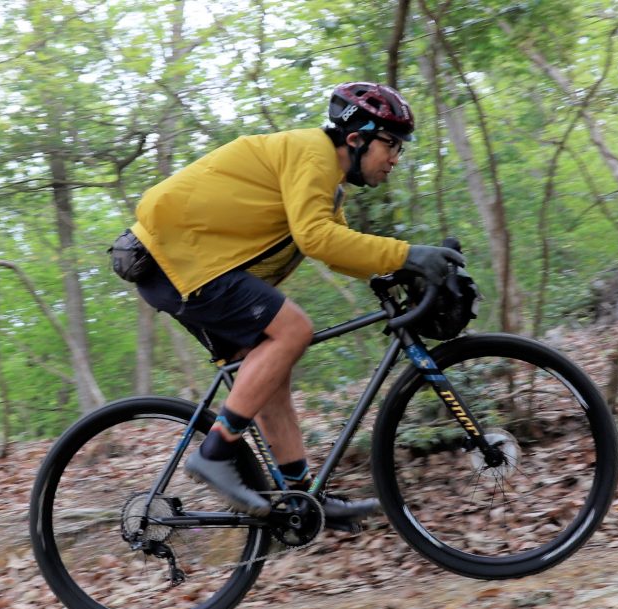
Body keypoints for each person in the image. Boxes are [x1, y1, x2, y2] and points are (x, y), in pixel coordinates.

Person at [129, 82, 464, 528]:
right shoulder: (313, 155)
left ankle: (301, 498)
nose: (396, 158)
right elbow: (316, 238)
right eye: (391, 144)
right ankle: (215, 452)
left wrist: (402, 268)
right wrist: (407, 254)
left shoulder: (328, 180)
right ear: (356, 138)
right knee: (293, 330)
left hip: (191, 262)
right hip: (177, 258)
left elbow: (337, 248)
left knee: (271, 374)